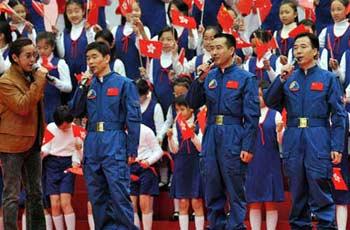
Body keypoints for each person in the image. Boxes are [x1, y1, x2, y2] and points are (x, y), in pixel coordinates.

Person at [263, 32, 347, 229]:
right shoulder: (289, 78)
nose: (298, 51)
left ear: (315, 51)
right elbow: (270, 102)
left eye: (303, 46)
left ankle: (327, 225)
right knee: (297, 189)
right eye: (295, 47)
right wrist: (281, 79)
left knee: (319, 188)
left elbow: (339, 115)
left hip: (318, 136)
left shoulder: (328, 78)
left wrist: (337, 146)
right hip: (293, 137)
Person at [186, 33, 260, 229]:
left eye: (219, 48)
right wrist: (199, 79)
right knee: (211, 184)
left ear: (231, 50)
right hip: (211, 133)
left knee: (235, 187)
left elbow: (252, 116)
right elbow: (192, 103)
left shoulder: (246, 78)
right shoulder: (209, 76)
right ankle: (216, 225)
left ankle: (236, 226)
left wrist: (248, 145)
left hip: (233, 132)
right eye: (212, 48)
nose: (215, 52)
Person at [69, 41, 141, 230]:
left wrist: (132, 147)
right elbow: (74, 111)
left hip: (114, 139)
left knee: (118, 193)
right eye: (88, 58)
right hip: (92, 141)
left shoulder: (124, 83)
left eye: (94, 57)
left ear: (107, 58)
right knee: (96, 195)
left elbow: (134, 118)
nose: (91, 62)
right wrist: (82, 86)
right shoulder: (88, 85)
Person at [0, 37, 48, 229]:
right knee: (11, 193)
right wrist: (39, 82)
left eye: (34, 55)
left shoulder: (31, 76)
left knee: (36, 192)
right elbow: (22, 107)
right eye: (27, 56)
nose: (33, 60)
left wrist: (37, 81)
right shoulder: (5, 81)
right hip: (12, 144)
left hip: (34, 141)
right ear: (14, 57)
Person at [41, 105, 82, 230]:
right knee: (54, 204)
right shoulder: (51, 127)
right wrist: (41, 154)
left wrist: (76, 161)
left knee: (65, 202)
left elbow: (78, 149)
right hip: (52, 164)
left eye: (68, 124)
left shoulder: (75, 129)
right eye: (63, 125)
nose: (66, 127)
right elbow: (46, 147)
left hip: (67, 165)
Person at [167, 95, 205, 230]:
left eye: (182, 109)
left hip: (196, 164)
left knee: (197, 202)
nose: (179, 113)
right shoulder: (176, 124)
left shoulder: (200, 122)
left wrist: (192, 134)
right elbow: (175, 149)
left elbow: (201, 147)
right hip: (181, 165)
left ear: (192, 109)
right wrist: (170, 139)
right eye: (177, 110)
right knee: (183, 202)